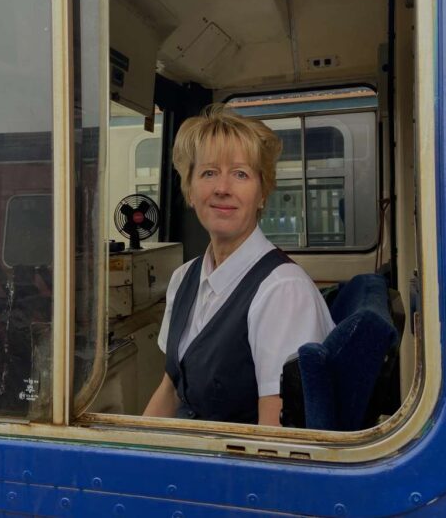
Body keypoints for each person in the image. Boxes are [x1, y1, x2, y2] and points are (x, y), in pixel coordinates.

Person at [143, 105, 335, 426]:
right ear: (190, 191)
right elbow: (170, 390)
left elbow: (274, 438)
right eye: (208, 172)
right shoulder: (183, 278)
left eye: (240, 174)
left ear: (262, 194)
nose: (222, 188)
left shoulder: (283, 291)